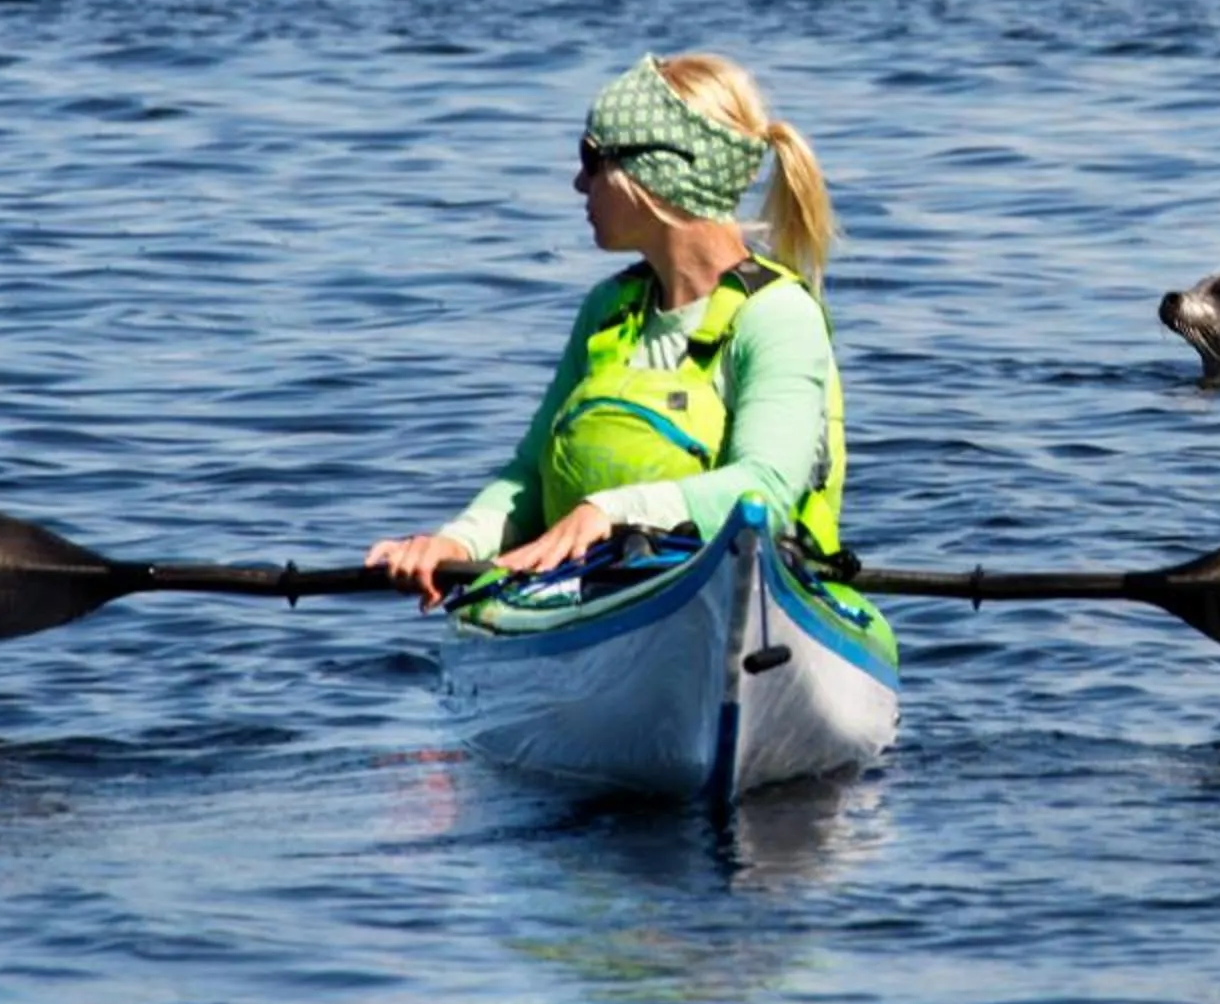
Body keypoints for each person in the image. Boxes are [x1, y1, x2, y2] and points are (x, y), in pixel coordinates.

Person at [366, 52, 856, 608]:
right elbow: (530, 476)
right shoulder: (607, 310)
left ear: (656, 171)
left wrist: (609, 511)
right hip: (592, 594)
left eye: (592, 159)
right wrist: (454, 541)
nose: (579, 182)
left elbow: (765, 487)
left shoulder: (777, 315)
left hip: (744, 594)